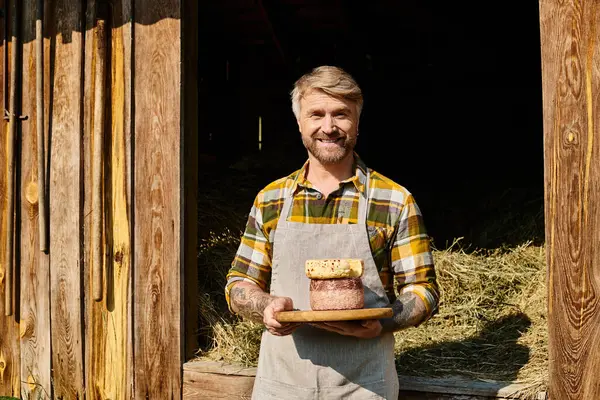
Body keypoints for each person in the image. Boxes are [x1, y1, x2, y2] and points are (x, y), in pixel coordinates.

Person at [225, 65, 440, 399]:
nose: (329, 127)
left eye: (341, 114)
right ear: (299, 122)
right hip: (282, 384)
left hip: (365, 386)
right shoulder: (271, 199)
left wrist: (383, 323)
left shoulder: (394, 200)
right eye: (316, 114)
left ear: (357, 121)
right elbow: (239, 285)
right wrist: (265, 305)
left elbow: (423, 290)